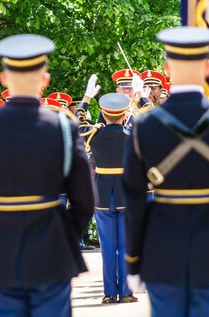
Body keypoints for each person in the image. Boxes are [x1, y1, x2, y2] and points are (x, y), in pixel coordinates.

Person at [0, 34, 94, 316]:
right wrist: (66, 234)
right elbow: (84, 199)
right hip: (52, 245)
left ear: (4, 79)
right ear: (45, 79)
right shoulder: (63, 128)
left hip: (1, 244)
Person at [124, 27, 209, 316]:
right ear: (207, 67)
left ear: (167, 69)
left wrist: (133, 259)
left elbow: (134, 198)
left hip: (163, 243)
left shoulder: (144, 125)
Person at [78, 92, 137, 303]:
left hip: (102, 196)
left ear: (103, 113)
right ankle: (127, 292)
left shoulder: (93, 134)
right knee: (125, 248)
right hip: (127, 194)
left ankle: (110, 293)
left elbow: (78, 120)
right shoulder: (133, 133)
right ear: (124, 115)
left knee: (108, 248)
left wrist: (86, 98)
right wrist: (140, 104)